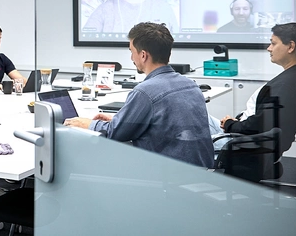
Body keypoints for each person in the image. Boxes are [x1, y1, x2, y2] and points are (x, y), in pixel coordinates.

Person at [64, 22, 214, 168]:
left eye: (131, 51)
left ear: (143, 55)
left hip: (166, 177)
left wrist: (86, 123)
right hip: (199, 171)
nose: (131, 58)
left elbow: (114, 133)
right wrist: (122, 119)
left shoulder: (145, 92)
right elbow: (164, 125)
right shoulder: (190, 84)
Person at [220, 23, 296, 153]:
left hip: (243, 142)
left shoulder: (287, 85)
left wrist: (230, 124)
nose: (269, 48)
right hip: (251, 139)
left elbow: (260, 125)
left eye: (273, 43)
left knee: (199, 124)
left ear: (290, 47)